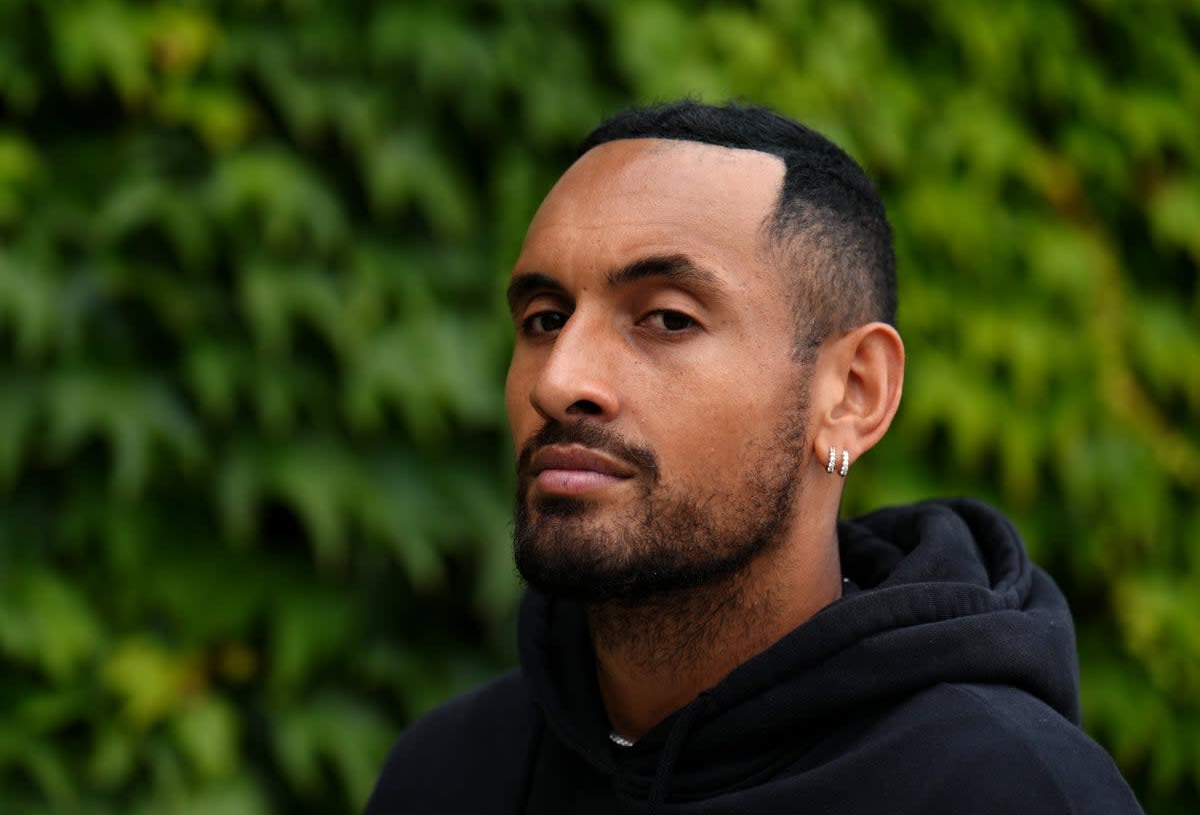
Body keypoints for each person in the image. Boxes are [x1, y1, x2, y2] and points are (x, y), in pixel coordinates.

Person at [363, 100, 1143, 814]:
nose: (561, 379)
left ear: (851, 396)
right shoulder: (447, 772)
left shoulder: (1009, 791)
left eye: (666, 318)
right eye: (543, 318)